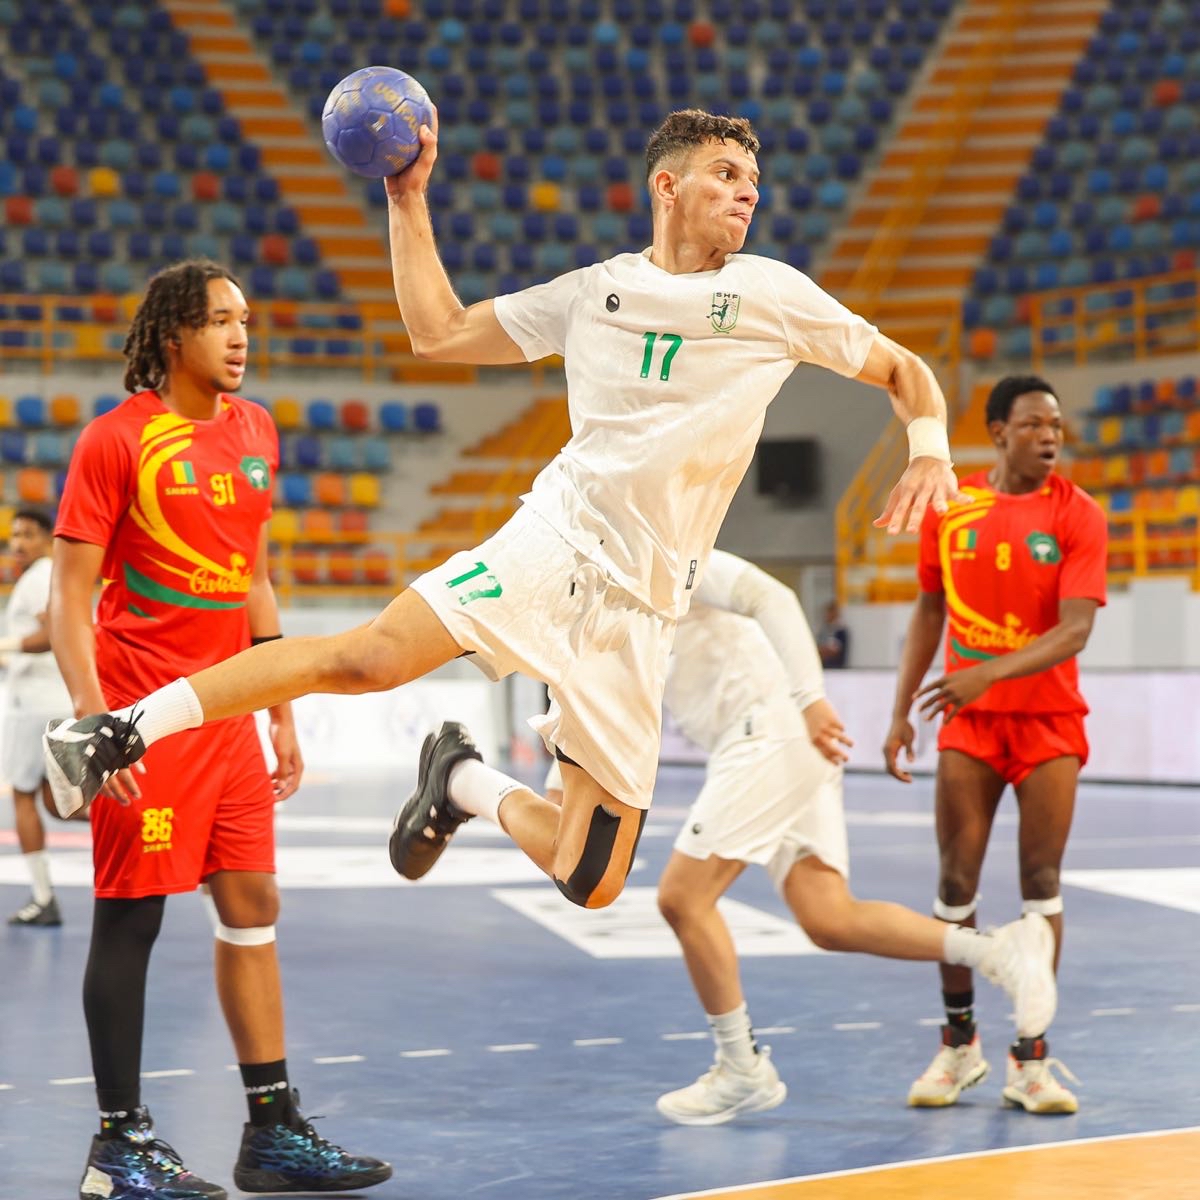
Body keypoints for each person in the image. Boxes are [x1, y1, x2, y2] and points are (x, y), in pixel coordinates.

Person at [46, 109, 962, 922]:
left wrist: (929, 447)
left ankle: (461, 780)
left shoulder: (772, 294)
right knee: (369, 659)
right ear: (667, 186)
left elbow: (903, 369)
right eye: (726, 175)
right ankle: (121, 729)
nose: (747, 193)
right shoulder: (593, 293)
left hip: (646, 608)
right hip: (556, 542)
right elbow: (438, 332)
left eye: (753, 181)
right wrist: (408, 198)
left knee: (591, 879)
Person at [47, 261, 390, 1200]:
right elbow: (68, 599)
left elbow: (253, 578)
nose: (241, 337)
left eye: (247, 320)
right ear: (174, 336)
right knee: (131, 919)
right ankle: (118, 1148)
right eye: (221, 321)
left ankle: (271, 1132)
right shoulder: (115, 441)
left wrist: (281, 707)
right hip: (143, 720)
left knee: (252, 904)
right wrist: (97, 722)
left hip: (230, 718)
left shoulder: (256, 431)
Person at [543, 550, 1056, 1125]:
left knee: (683, 898)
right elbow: (584, 736)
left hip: (772, 729)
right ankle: (999, 951)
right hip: (771, 742)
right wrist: (537, 800)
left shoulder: (653, 550)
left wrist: (809, 699)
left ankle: (741, 1067)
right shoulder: (579, 627)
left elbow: (771, 596)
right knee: (829, 918)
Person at [883, 374, 1107, 1116]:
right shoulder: (952, 509)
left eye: (1057, 427)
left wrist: (985, 673)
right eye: (1035, 424)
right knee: (955, 883)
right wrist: (899, 713)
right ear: (999, 431)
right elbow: (929, 609)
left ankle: (1031, 1061)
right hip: (969, 726)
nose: (1050, 437)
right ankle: (959, 1046)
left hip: (1048, 723)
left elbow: (1076, 630)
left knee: (1041, 880)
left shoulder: (1079, 514)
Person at [3, 508, 72, 926]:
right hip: (52, 701)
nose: (17, 543)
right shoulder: (47, 576)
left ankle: (43, 898)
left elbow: (53, 634)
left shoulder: (39, 577)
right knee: (59, 802)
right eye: (14, 535)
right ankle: (152, 823)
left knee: (24, 795)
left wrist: (6, 645)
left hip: (35, 707)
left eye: (28, 534)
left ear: (48, 540)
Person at [816, 599, 849, 668]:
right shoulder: (824, 630)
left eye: (828, 612)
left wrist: (820, 650)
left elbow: (833, 651)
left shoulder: (840, 630)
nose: (826, 615)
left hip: (835, 668)